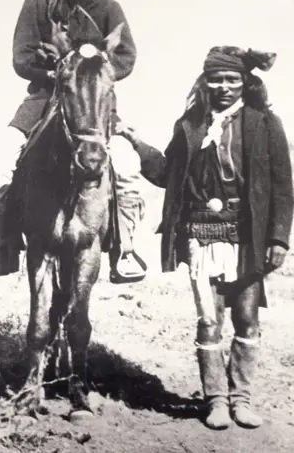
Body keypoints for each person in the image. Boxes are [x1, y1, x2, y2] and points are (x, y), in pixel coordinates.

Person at [117, 46, 292, 430]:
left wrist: (279, 238)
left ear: (246, 82)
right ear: (205, 82)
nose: (224, 87)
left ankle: (241, 399)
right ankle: (215, 401)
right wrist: (135, 141)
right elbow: (168, 175)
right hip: (200, 233)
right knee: (209, 319)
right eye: (217, 79)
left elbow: (282, 185)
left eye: (232, 79)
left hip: (248, 235)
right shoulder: (190, 125)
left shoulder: (264, 122)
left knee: (246, 317)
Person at [0, 0, 146, 282]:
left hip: (94, 107)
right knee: (1, 156)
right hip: (42, 102)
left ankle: (125, 249)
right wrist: (56, 72)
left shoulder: (109, 8)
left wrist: (90, 72)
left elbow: (126, 57)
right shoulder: (36, 4)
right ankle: (3, 244)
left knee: (128, 165)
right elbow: (21, 57)